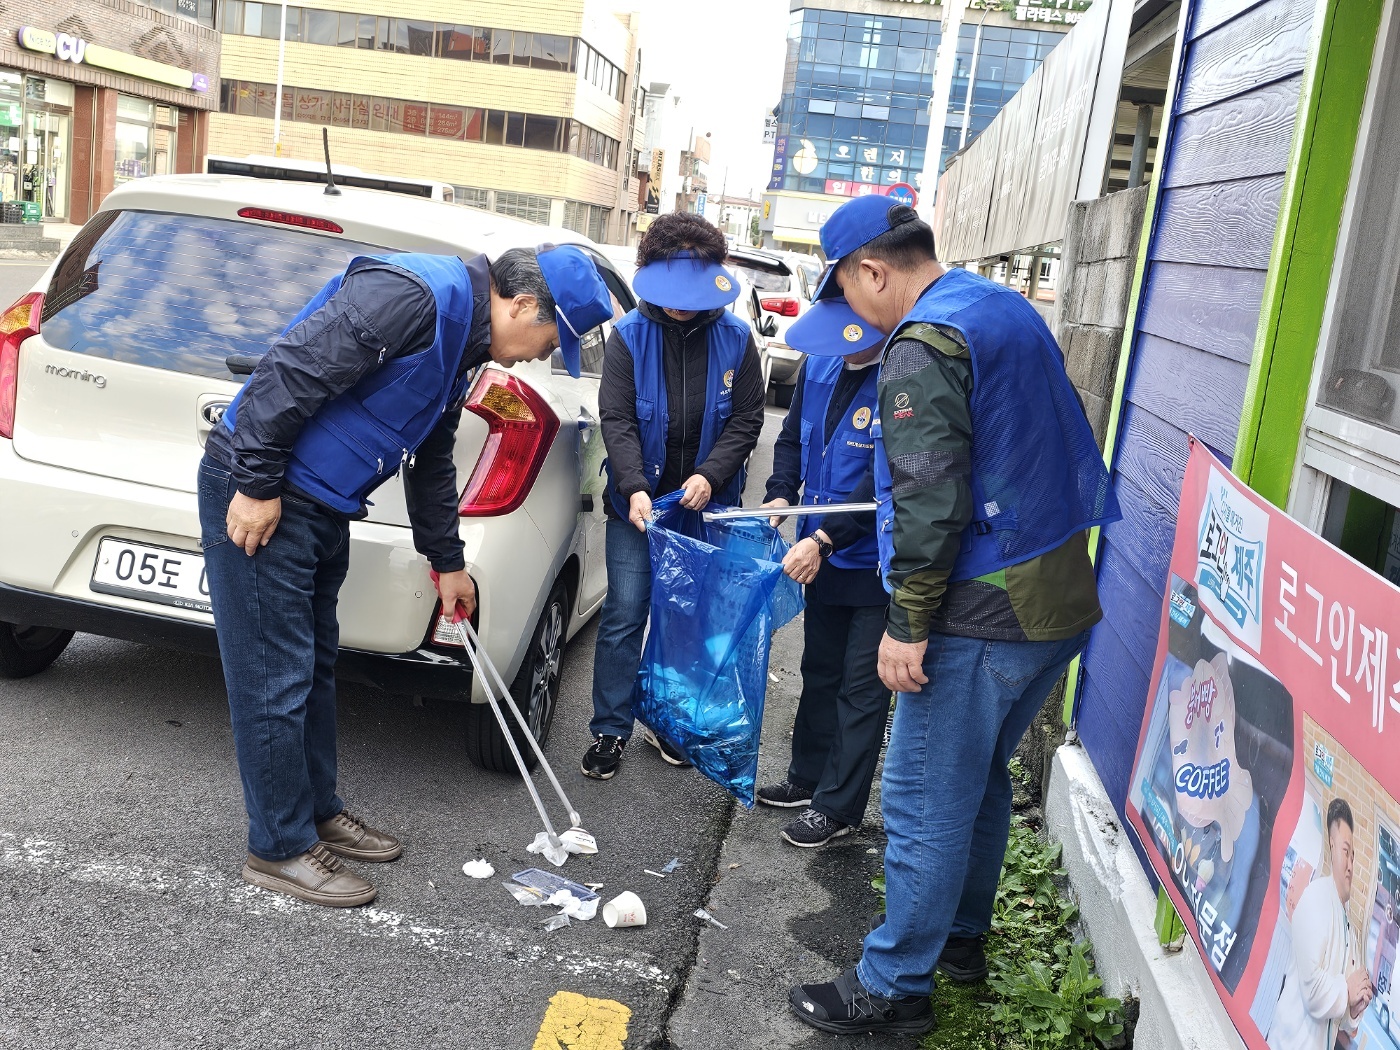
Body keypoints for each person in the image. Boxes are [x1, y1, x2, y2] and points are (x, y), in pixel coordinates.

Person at [788, 196, 1120, 1035]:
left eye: (847, 296)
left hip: (982, 608)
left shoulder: (923, 343)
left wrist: (907, 623)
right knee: (976, 787)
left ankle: (896, 985)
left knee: (924, 800)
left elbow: (929, 499)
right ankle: (962, 942)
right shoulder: (997, 306)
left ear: (873, 271)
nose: (852, 319)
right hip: (1056, 594)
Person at [198, 244, 613, 908]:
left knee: (311, 669)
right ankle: (277, 847)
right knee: (273, 679)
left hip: (322, 506)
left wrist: (448, 563)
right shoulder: (417, 296)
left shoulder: (464, 342)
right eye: (547, 338)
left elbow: (433, 459)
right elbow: (292, 370)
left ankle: (317, 813)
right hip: (270, 496)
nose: (541, 354)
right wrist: (253, 482)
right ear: (524, 304)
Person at [582, 212, 766, 780]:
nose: (680, 306)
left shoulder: (736, 338)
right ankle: (609, 730)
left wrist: (710, 474)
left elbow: (747, 418)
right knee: (626, 614)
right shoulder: (629, 338)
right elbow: (617, 418)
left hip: (707, 505)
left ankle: (670, 724)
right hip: (637, 507)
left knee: (689, 617)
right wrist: (634, 486)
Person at [757, 298, 889, 848]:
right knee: (819, 670)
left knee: (862, 690)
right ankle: (806, 777)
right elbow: (791, 439)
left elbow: (883, 480)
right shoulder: (820, 364)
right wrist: (779, 492)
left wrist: (825, 537)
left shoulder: (899, 379)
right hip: (820, 556)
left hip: (872, 562)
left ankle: (837, 808)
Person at [1267, 799, 1371, 1049]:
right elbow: (1314, 991)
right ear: (1332, 846)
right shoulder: (1315, 898)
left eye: (1353, 856)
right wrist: (1348, 991)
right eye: (1346, 852)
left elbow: (1343, 1020)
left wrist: (1354, 1009)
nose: (1350, 865)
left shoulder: (1350, 934)